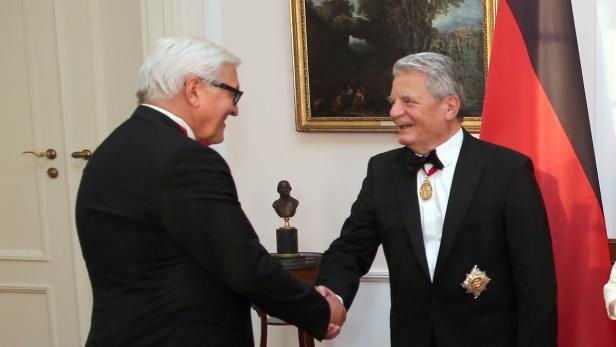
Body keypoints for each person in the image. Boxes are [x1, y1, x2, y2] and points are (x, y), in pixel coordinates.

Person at [75, 37, 345, 346]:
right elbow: (243, 265)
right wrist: (320, 312)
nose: (235, 109)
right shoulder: (185, 160)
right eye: (233, 93)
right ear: (193, 89)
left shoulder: (108, 152)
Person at [315, 52, 557, 346]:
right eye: (393, 102)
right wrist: (332, 296)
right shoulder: (382, 172)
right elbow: (351, 249)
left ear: (449, 106)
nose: (394, 112)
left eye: (408, 101)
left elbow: (535, 283)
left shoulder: (507, 171)